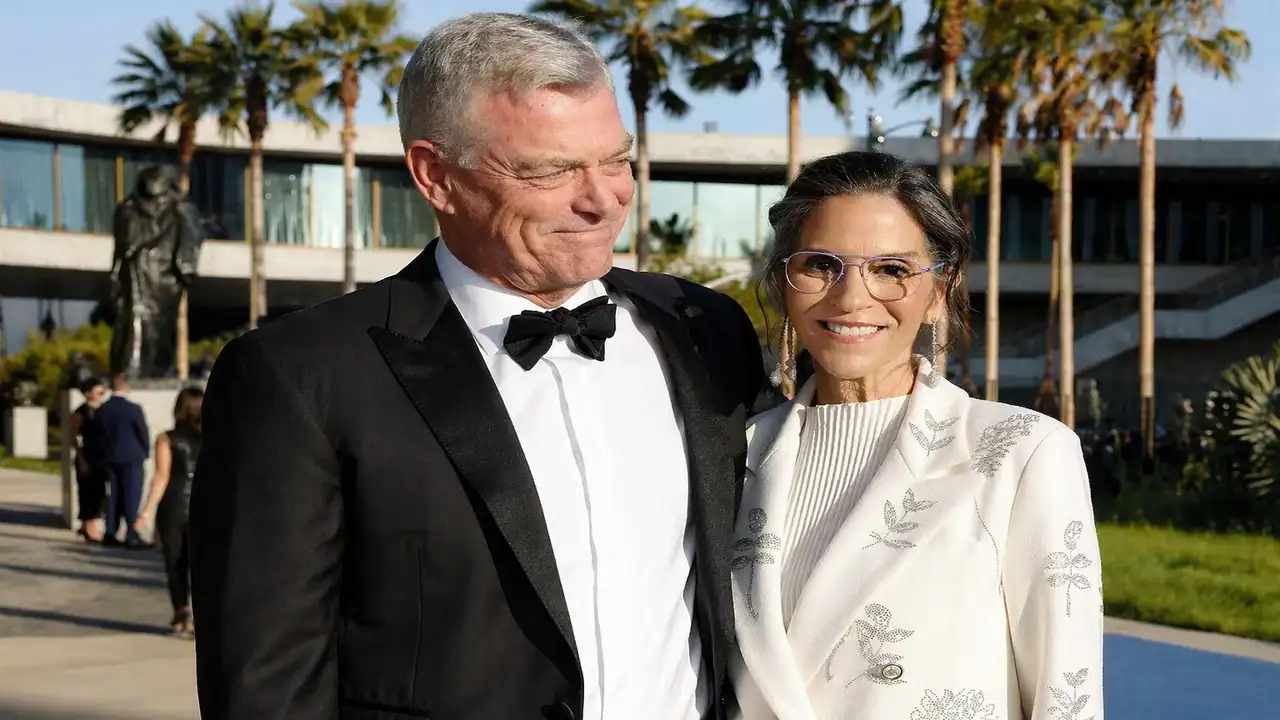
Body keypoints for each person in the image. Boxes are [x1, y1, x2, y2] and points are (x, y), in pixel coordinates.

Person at [189, 12, 764, 720]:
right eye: (550, 170)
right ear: (437, 175)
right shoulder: (299, 376)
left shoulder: (704, 329)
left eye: (615, 159)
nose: (602, 198)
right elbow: (263, 685)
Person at [729, 152, 1103, 719]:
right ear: (784, 281)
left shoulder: (1021, 455)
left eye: (892, 270)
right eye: (820, 265)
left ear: (938, 292)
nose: (852, 297)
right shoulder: (739, 455)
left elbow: (1067, 698)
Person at [136, 387, 203, 637]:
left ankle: (181, 612)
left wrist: (146, 511)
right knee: (203, 564)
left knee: (175, 561)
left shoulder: (167, 438)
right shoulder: (218, 436)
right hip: (205, 505)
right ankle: (201, 615)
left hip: (173, 505)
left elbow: (161, 477)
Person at [95, 373, 151, 548]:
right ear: (126, 387)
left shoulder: (102, 409)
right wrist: (145, 451)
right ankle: (132, 534)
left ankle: (110, 532)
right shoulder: (134, 409)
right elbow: (142, 432)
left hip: (110, 458)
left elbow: (98, 435)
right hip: (132, 457)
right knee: (132, 496)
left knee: (113, 495)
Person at [70, 376, 107, 542]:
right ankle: (89, 527)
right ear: (88, 392)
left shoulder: (104, 410)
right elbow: (73, 437)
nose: (101, 392)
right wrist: (81, 458)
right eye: (97, 389)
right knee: (87, 492)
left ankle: (87, 526)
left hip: (102, 456)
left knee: (99, 492)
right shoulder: (81, 412)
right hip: (87, 456)